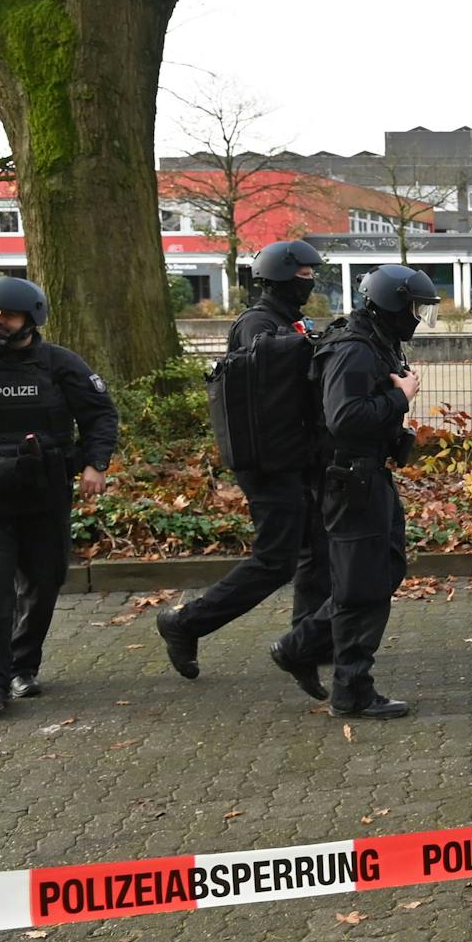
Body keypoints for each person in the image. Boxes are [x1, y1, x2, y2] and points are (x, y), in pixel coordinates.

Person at [156, 240, 330, 682]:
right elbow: (267, 358)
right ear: (280, 278)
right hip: (267, 461)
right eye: (304, 275)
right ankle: (185, 623)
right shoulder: (257, 322)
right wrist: (314, 343)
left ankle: (307, 642)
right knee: (276, 560)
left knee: (317, 551)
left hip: (293, 454)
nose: (310, 281)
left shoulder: (285, 319)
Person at [272, 264, 436, 719]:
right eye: (414, 308)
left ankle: (300, 646)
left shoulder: (375, 341)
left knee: (384, 571)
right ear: (392, 304)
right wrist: (401, 397)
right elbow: (344, 418)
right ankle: (351, 690)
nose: (418, 318)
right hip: (349, 480)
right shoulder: (354, 349)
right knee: (360, 589)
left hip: (368, 477)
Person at [0, 277, 118, 714]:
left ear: (31, 319)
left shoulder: (59, 364)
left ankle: (22, 667)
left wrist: (96, 464)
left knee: (44, 582)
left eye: (7, 314)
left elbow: (100, 414)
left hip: (46, 494)